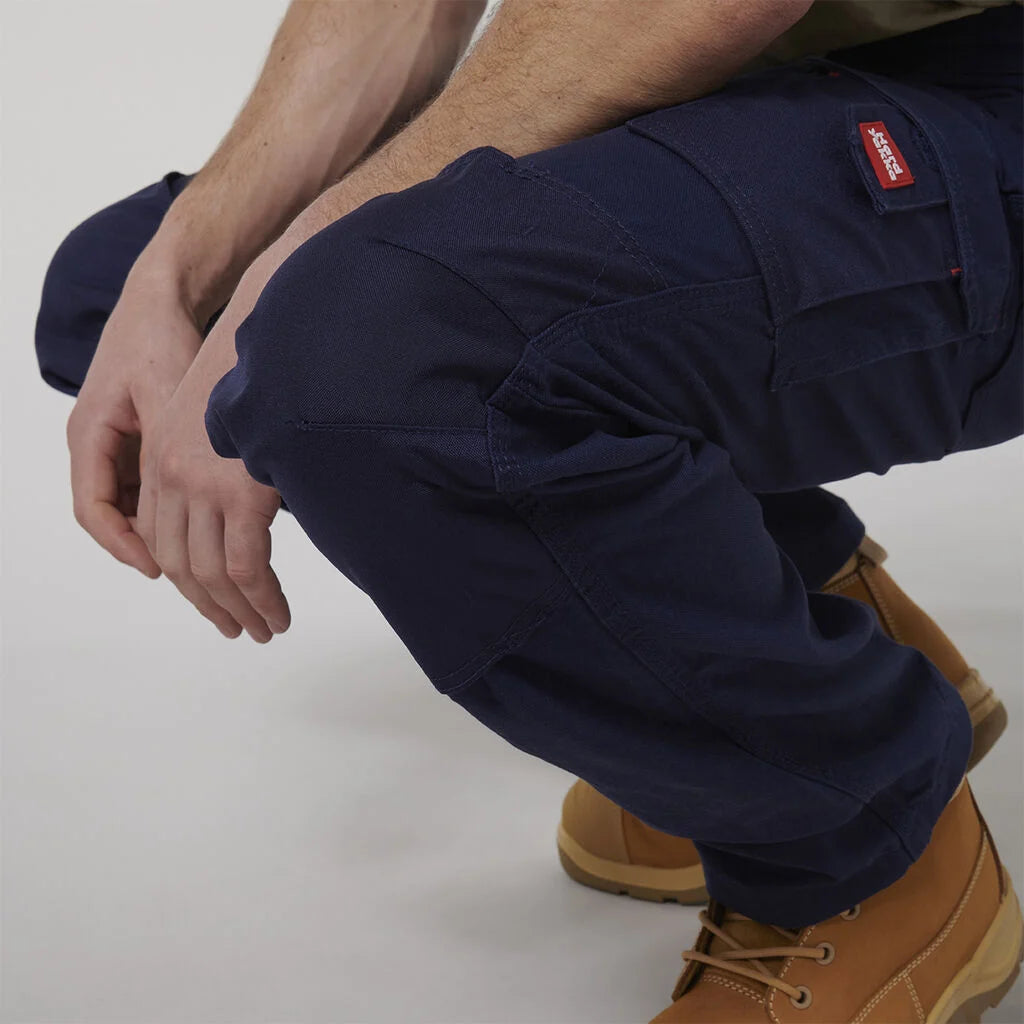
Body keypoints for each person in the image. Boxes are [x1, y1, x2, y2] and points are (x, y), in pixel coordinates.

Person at [35, 1, 1023, 1018]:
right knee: (120, 295)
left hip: (980, 99)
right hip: (777, 75)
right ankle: (798, 656)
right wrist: (180, 272)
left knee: (363, 352)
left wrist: (277, 296)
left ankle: (869, 845)